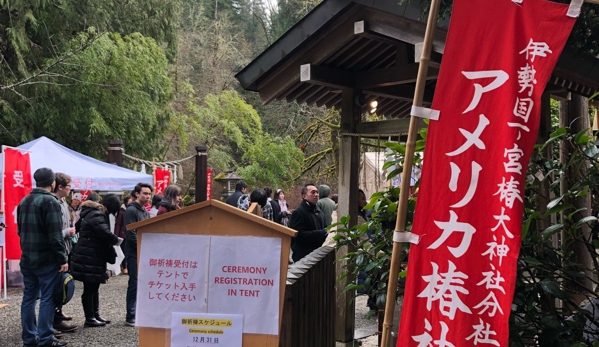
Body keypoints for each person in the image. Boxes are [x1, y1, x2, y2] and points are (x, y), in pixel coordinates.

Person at [18, 168, 69, 347]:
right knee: (47, 297)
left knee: (29, 298)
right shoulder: (50, 201)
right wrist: (62, 258)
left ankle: (29, 338)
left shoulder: (24, 201)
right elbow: (55, 235)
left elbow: (20, 231)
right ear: (52, 183)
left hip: (27, 258)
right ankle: (46, 338)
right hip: (46, 259)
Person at [70, 194, 120, 327]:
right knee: (90, 288)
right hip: (90, 255)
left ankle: (95, 314)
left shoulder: (92, 213)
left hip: (91, 254)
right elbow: (104, 232)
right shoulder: (98, 214)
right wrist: (116, 240)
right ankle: (90, 317)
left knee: (94, 286)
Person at [51, 173, 78, 334]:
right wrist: (66, 232)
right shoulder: (52, 203)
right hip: (58, 249)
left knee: (62, 285)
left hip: (66, 247)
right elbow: (52, 232)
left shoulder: (62, 202)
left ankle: (58, 313)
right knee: (55, 287)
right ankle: (54, 320)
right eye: (69, 186)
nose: (71, 190)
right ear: (60, 187)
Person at [123, 183, 152, 326]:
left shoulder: (144, 210)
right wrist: (142, 245)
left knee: (142, 283)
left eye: (149, 194)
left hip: (144, 250)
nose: (147, 196)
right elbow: (131, 233)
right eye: (144, 193)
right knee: (134, 283)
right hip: (134, 252)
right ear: (137, 194)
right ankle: (130, 315)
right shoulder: (131, 210)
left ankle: (139, 313)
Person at [289, 184, 326, 262]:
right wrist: (320, 233)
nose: (316, 195)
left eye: (317, 192)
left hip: (317, 254)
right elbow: (299, 235)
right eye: (313, 192)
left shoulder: (319, 211)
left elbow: (325, 228)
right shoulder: (298, 212)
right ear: (304, 196)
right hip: (303, 256)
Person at [114, 195, 132, 274]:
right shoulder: (122, 211)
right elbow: (118, 224)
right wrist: (116, 236)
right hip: (122, 235)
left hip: (128, 234)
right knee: (123, 251)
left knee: (127, 251)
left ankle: (125, 266)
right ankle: (124, 267)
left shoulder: (130, 210)